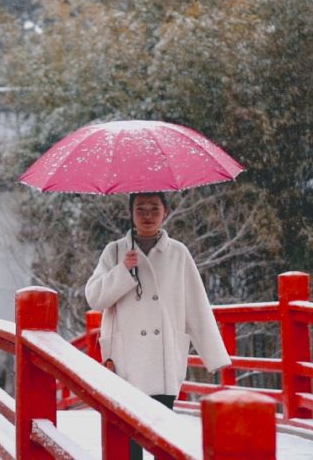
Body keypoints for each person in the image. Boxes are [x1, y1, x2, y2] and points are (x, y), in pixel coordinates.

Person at [84, 192, 231, 460]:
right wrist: (123, 271)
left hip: (163, 358)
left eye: (154, 208)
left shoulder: (178, 253)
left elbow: (196, 304)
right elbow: (94, 298)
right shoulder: (115, 251)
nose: (147, 215)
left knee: (162, 436)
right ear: (131, 213)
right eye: (140, 209)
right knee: (128, 434)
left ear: (165, 211)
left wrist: (214, 356)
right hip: (125, 358)